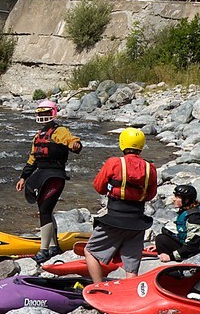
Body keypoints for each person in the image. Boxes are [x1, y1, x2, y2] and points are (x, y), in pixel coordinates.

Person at [84, 127, 159, 284]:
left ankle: (98, 287)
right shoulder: (149, 168)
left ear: (122, 144)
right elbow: (151, 195)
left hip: (114, 220)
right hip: (137, 222)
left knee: (90, 251)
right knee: (131, 267)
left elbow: (99, 187)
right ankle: (129, 295)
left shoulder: (114, 163)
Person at [16, 99, 83, 261]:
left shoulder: (60, 131)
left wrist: (76, 145)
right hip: (41, 174)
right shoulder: (38, 136)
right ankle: (54, 247)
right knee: (45, 209)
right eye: (41, 114)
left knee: (45, 210)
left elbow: (73, 141)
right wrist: (23, 177)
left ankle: (43, 250)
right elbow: (32, 159)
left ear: (52, 114)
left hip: (55, 176)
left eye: (46, 113)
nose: (43, 116)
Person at [152, 182, 200, 261]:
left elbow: (193, 243)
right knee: (161, 238)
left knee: (161, 239)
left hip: (198, 251)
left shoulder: (194, 217)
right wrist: (159, 246)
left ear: (186, 200)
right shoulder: (186, 211)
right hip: (192, 247)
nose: (174, 199)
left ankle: (174, 263)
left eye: (177, 197)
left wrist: (171, 256)